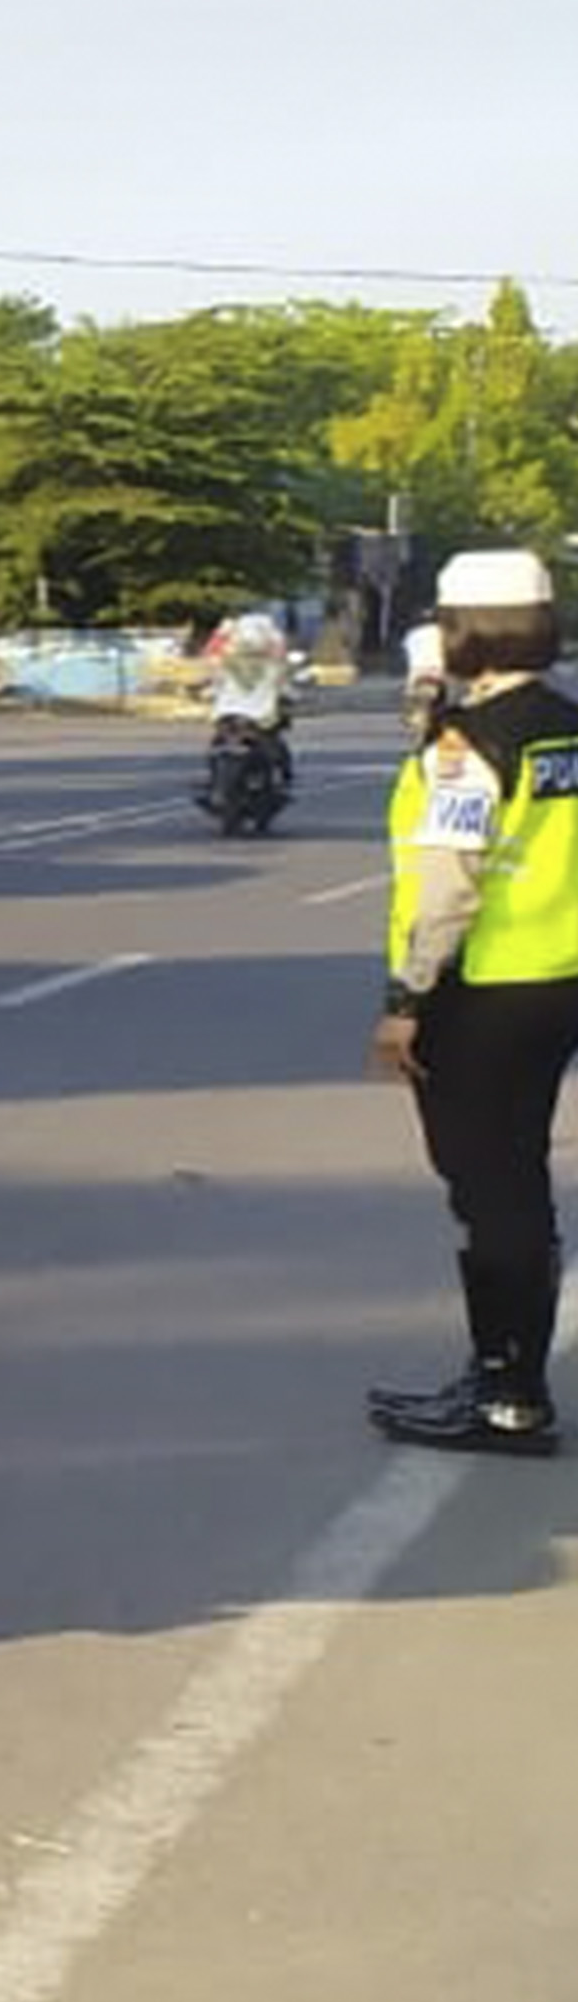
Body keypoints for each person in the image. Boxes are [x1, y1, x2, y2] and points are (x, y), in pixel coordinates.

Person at [372, 549, 578, 1452]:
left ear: (461, 632)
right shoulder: (567, 727)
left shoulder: (467, 747)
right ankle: (509, 1377)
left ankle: (506, 1395)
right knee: (518, 1183)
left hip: (485, 991)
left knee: (489, 1191)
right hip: (562, 982)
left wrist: (405, 998)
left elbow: (447, 888)